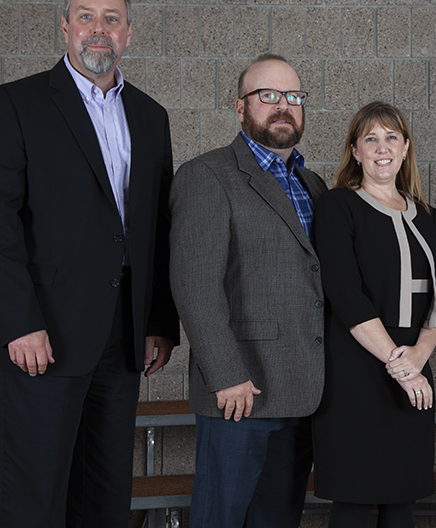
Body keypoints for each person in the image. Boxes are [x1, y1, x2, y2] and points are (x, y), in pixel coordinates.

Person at [0, 0, 179, 527]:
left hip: (122, 341)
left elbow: (157, 227)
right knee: (34, 503)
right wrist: (19, 322)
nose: (98, 29)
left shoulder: (152, 118)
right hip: (42, 338)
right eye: (86, 16)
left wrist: (157, 320)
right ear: (65, 26)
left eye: (111, 18)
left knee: (104, 502)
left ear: (128, 33)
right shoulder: (18, 103)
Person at [169, 53, 326, 527]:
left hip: (301, 390)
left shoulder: (312, 183)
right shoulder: (207, 176)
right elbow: (194, 285)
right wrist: (224, 375)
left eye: (293, 97)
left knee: (278, 520)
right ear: (240, 108)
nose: (283, 106)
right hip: (240, 391)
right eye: (268, 96)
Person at [311, 101, 436, 527]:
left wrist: (420, 356)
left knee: (401, 499)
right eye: (370, 138)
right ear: (355, 151)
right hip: (357, 373)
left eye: (391, 137)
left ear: (406, 148)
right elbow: (345, 293)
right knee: (352, 499)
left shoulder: (427, 215)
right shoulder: (338, 206)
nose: (381, 147)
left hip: (414, 368)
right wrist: (400, 366)